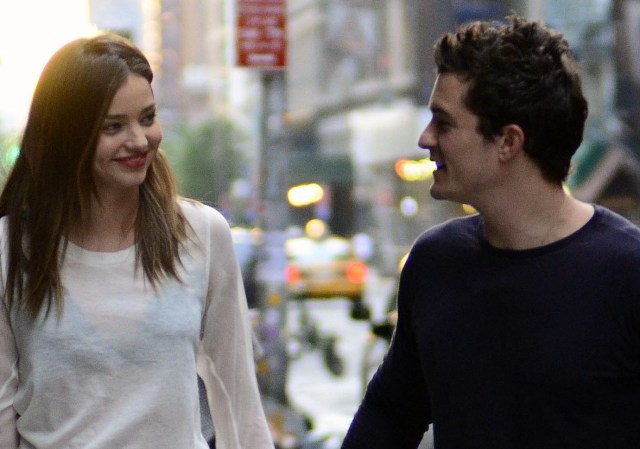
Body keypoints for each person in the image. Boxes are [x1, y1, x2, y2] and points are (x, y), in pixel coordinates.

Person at [342, 15, 640, 449]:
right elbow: (390, 413)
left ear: (508, 141)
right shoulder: (434, 262)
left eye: (444, 123)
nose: (425, 138)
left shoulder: (626, 272)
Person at [0, 33, 274, 449]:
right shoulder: (10, 249)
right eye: (113, 126)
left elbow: (238, 399)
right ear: (66, 137)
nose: (140, 140)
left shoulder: (202, 233)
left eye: (147, 118)